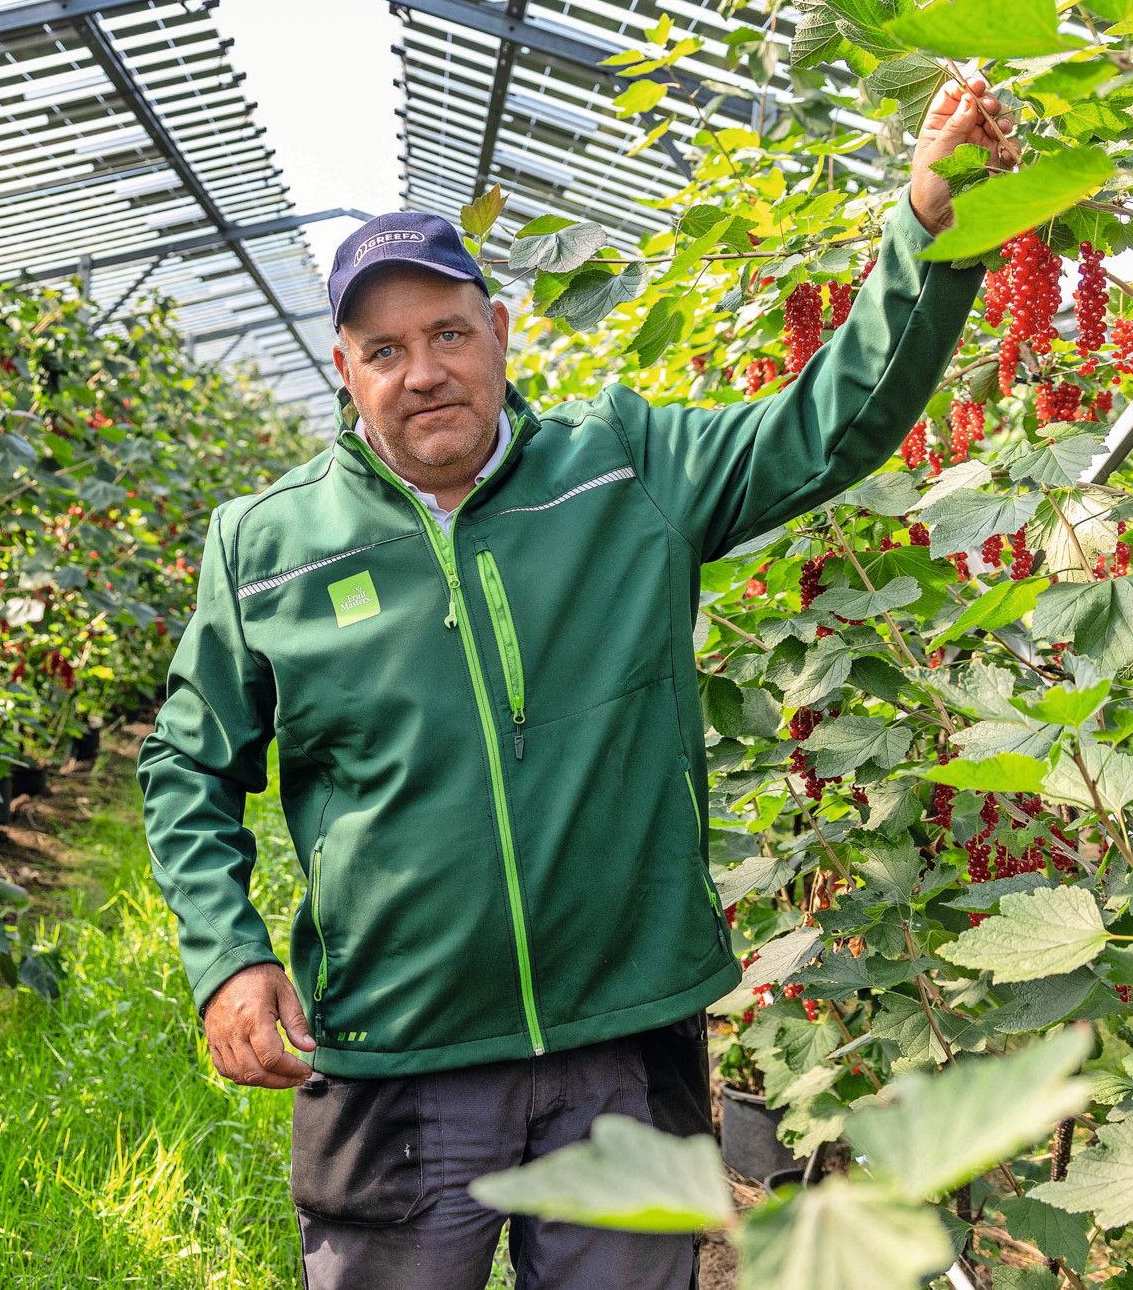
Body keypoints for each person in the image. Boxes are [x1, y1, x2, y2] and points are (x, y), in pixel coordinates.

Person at [137, 79, 1014, 1289]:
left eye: (447, 332)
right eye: (384, 350)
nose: (422, 371)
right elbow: (189, 767)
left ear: (499, 329)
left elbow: (834, 424)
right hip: (395, 1053)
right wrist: (226, 953)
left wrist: (928, 218)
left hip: (624, 1035)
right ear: (345, 368)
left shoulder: (623, 466)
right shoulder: (269, 542)